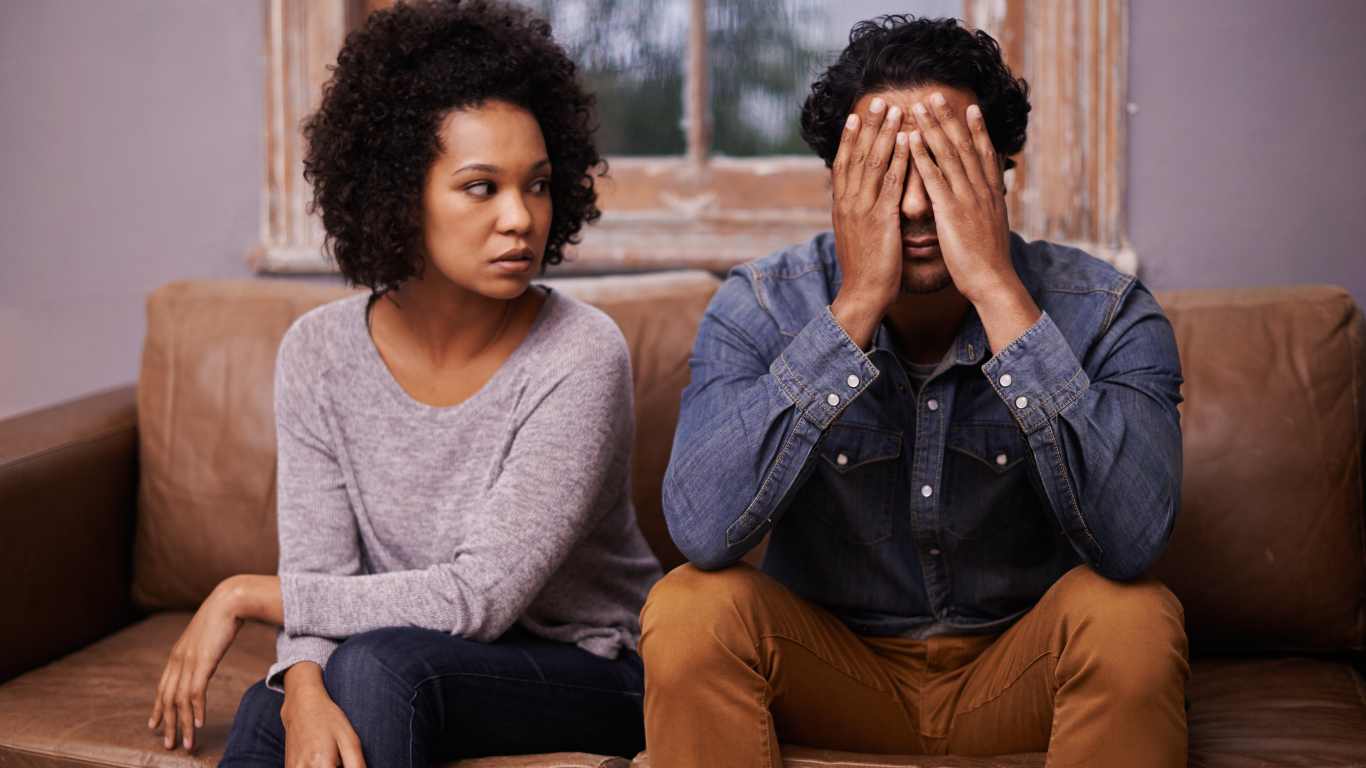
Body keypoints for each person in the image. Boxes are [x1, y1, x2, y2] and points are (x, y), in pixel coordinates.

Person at [641, 14, 1188, 768]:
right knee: (688, 608)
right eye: (885, 172)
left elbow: (1132, 545)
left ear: (1000, 171)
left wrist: (996, 289)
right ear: (838, 180)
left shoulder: (1106, 312)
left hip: (1020, 672)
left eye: (943, 168)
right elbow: (703, 533)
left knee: (1133, 615)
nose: (915, 207)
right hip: (832, 673)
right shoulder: (762, 306)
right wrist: (857, 303)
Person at [146, 2, 661, 765]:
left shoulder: (581, 352)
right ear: (396, 192)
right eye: (481, 187)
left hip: (595, 670)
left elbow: (477, 597)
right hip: (410, 654)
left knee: (376, 667)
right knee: (273, 708)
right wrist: (303, 691)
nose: (521, 218)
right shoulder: (318, 353)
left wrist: (243, 594)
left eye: (538, 184)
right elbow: (322, 575)